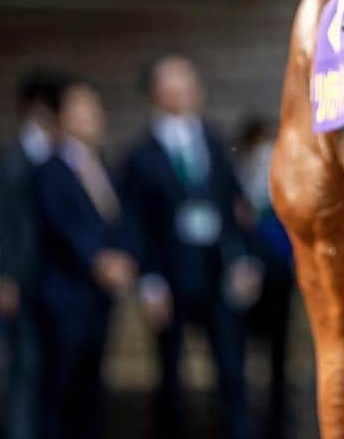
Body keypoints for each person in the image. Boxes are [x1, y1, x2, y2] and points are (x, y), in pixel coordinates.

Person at [121, 54, 259, 439]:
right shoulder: (140, 155)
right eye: (175, 82)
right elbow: (136, 222)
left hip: (217, 271)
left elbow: (236, 208)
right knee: (170, 372)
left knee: (232, 367)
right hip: (171, 273)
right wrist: (149, 281)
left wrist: (245, 260)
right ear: (156, 92)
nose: (185, 89)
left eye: (189, 81)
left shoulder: (215, 142)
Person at [35, 77, 136, 439]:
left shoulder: (103, 166)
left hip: (99, 300)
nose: (92, 116)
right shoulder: (49, 170)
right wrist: (98, 261)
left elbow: (119, 219)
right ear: (61, 117)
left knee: (92, 392)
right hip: (65, 297)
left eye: (94, 108)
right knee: (61, 392)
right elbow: (61, 225)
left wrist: (126, 258)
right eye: (81, 108)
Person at [0, 71, 65, 439]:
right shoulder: (10, 158)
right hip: (22, 279)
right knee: (24, 368)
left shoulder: (66, 156)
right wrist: (5, 277)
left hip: (56, 281)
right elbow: (1, 219)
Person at [237, 115, 294, 437]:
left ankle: (276, 419)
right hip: (248, 275)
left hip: (276, 278)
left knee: (277, 353)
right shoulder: (243, 190)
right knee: (248, 352)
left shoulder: (277, 197)